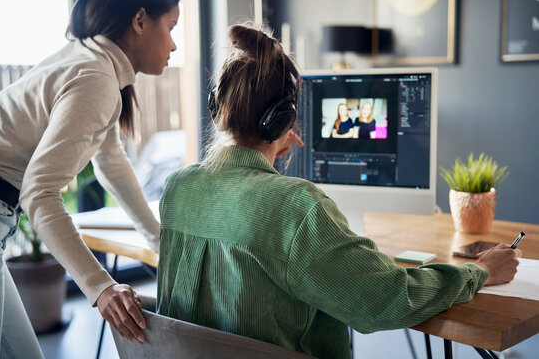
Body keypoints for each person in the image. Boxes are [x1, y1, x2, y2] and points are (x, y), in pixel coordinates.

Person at [156, 24, 521, 359]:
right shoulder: (296, 207)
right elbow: (386, 299)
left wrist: (269, 154)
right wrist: (479, 272)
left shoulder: (178, 187)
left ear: (217, 107)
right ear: (283, 120)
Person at [0, 0, 180, 354]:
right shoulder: (97, 77)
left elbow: (110, 162)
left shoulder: (94, 62)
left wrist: (159, 241)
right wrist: (100, 286)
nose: (174, 44)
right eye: (171, 28)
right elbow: (39, 192)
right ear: (140, 21)